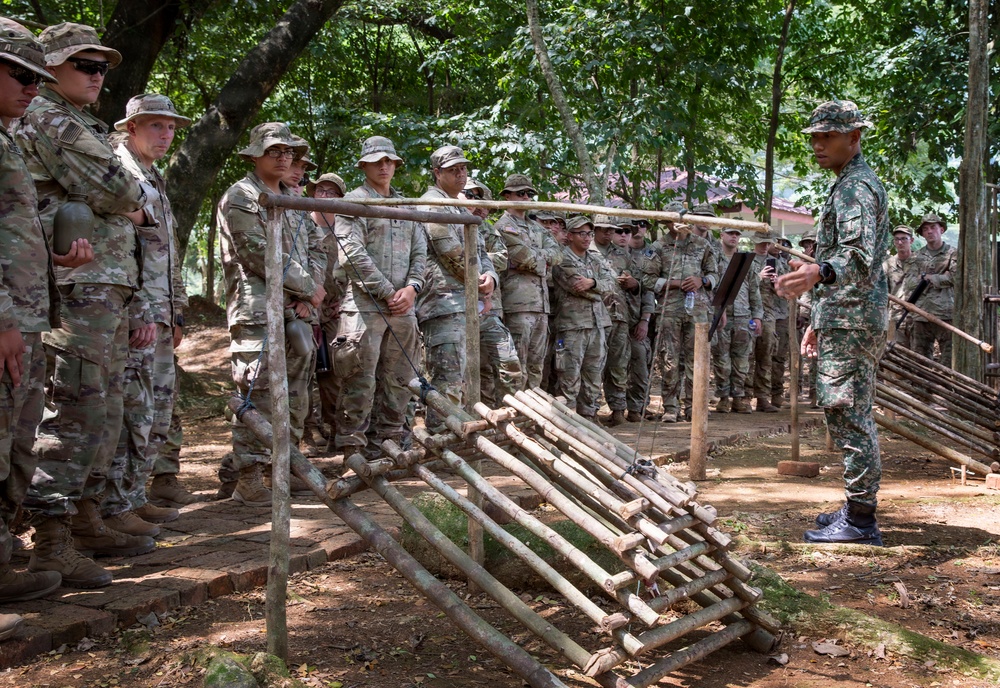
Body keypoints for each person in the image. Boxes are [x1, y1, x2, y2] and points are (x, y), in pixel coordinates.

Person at [14, 22, 155, 588]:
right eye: (84, 66)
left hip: (104, 282)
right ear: (51, 69)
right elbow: (122, 192)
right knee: (77, 408)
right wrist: (120, 200)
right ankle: (51, 541)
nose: (98, 77)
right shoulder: (49, 118)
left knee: (106, 408)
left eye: (102, 68)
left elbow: (121, 195)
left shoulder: (77, 122)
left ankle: (86, 517)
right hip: (78, 284)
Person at [776, 99, 889, 546]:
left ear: (854, 138)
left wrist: (819, 272)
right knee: (844, 410)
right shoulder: (846, 183)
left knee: (850, 412)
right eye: (814, 137)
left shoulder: (856, 188)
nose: (818, 145)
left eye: (828, 136)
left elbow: (859, 257)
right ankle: (856, 504)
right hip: (844, 316)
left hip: (854, 319)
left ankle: (862, 521)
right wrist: (820, 318)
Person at [101, 94, 195, 538]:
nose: (166, 135)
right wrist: (140, 311)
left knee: (156, 410)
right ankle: (114, 504)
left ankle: (134, 498)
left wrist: (178, 311)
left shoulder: (153, 175)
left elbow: (166, 253)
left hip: (159, 312)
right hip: (135, 313)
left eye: (171, 127)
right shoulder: (119, 171)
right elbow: (123, 249)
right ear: (132, 127)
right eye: (156, 126)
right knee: (132, 409)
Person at [218, 123, 322, 506]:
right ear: (256, 155)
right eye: (275, 151)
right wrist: (308, 287)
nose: (284, 158)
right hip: (258, 308)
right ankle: (248, 474)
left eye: (289, 152)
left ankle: (286, 464)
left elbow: (317, 247)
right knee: (256, 388)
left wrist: (312, 294)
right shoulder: (242, 195)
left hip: (298, 308)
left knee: (296, 390)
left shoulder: (293, 197)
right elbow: (257, 252)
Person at [0, 16, 64, 602]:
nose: (31, 87)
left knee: (15, 441)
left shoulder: (8, 139)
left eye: (38, 78)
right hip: (7, 323)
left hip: (26, 319)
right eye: (19, 74)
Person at [331, 136, 425, 458]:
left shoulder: (406, 204)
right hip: (364, 307)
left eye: (389, 161)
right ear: (365, 165)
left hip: (403, 308)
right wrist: (387, 292)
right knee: (359, 382)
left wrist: (412, 288)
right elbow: (350, 253)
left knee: (400, 380)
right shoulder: (353, 202)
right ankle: (353, 453)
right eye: (377, 161)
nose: (384, 166)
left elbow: (420, 252)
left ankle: (388, 446)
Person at [416, 146, 497, 433]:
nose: (461, 174)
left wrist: (490, 278)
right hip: (443, 303)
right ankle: (440, 438)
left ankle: (455, 436)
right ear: (437, 173)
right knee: (447, 378)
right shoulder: (432, 204)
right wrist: (479, 281)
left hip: (464, 302)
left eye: (463, 168)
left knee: (462, 377)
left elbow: (481, 249)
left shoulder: (458, 205)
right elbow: (450, 252)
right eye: (453, 170)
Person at [645, 203, 719, 422]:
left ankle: (694, 407)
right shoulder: (658, 247)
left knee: (697, 360)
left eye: (684, 220)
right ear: (667, 223)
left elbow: (714, 274)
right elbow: (648, 280)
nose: (680, 224)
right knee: (669, 359)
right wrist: (674, 283)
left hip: (698, 311)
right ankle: (670, 407)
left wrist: (702, 280)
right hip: (669, 310)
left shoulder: (702, 244)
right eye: (674, 220)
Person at [495, 174, 562, 389]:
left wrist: (536, 259)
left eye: (529, 193)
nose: (526, 197)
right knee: (517, 364)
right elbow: (523, 257)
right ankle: (514, 412)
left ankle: (532, 415)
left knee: (536, 365)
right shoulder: (504, 226)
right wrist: (541, 260)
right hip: (517, 305)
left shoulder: (536, 227)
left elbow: (557, 254)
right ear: (507, 196)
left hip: (541, 305)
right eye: (520, 193)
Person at [463, 180, 523, 406]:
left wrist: (486, 276)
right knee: (465, 368)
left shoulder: (485, 229)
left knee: (502, 362)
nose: (479, 205)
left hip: (487, 303)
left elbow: (499, 258)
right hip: (453, 306)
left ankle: (504, 414)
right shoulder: (443, 219)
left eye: (482, 201)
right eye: (470, 196)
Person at [551, 216, 612, 418]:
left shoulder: (595, 259)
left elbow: (611, 284)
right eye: (581, 233)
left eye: (589, 234)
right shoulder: (561, 258)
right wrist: (596, 287)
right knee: (569, 375)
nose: (587, 238)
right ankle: (568, 421)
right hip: (572, 326)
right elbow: (576, 286)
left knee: (594, 374)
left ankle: (589, 417)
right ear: (569, 235)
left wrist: (593, 283)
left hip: (597, 324)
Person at [306, 172, 348, 453]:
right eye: (321, 190)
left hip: (334, 312)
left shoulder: (345, 231)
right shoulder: (303, 224)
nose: (325, 196)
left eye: (332, 192)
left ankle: (335, 430)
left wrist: (339, 304)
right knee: (302, 373)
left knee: (333, 373)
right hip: (304, 309)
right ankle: (306, 431)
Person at [712, 229, 762, 414]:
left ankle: (739, 398)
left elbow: (754, 292)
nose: (734, 237)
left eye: (737, 234)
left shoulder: (745, 262)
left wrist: (757, 316)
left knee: (742, 361)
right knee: (722, 360)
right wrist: (717, 311)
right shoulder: (715, 259)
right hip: (721, 317)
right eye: (730, 233)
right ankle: (723, 398)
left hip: (743, 317)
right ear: (721, 235)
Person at [592, 215, 631, 426]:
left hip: (620, 315)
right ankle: (592, 411)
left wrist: (632, 283)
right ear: (595, 229)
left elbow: (636, 284)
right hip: (596, 316)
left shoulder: (622, 254)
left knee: (618, 365)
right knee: (594, 365)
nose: (609, 233)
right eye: (604, 229)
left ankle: (618, 410)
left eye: (612, 229)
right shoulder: (587, 252)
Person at [911, 213, 956, 366]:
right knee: (920, 357)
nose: (929, 231)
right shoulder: (917, 256)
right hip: (921, 313)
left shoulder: (952, 253)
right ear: (922, 234)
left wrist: (932, 278)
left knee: (949, 357)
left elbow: (956, 278)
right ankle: (921, 389)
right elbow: (911, 281)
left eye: (933, 227)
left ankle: (946, 389)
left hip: (945, 313)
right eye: (925, 229)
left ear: (941, 229)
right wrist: (943, 275)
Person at [625, 221, 656, 421]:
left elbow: (649, 289)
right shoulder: (609, 254)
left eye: (642, 224)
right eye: (630, 227)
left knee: (641, 359)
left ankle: (637, 407)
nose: (637, 229)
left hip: (638, 318)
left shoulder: (651, 253)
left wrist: (645, 319)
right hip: (609, 319)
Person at [750, 234, 779, 413]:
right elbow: (741, 286)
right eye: (761, 242)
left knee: (766, 356)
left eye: (768, 243)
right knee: (746, 356)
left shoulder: (775, 262)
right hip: (748, 312)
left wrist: (778, 283)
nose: (765, 246)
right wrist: (758, 277)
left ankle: (762, 397)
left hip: (768, 314)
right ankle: (742, 398)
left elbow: (783, 292)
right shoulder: (747, 260)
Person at [883, 225, 920, 349]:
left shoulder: (921, 262)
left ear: (911, 240)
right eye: (897, 239)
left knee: (919, 354)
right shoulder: (888, 264)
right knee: (896, 353)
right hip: (895, 317)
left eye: (904, 239)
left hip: (917, 317)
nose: (900, 242)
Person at [769, 239, 791, 408]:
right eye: (773, 243)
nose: (776, 247)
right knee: (759, 356)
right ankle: (753, 395)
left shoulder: (785, 264)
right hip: (762, 313)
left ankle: (776, 394)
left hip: (782, 314)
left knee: (779, 357)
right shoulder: (755, 261)